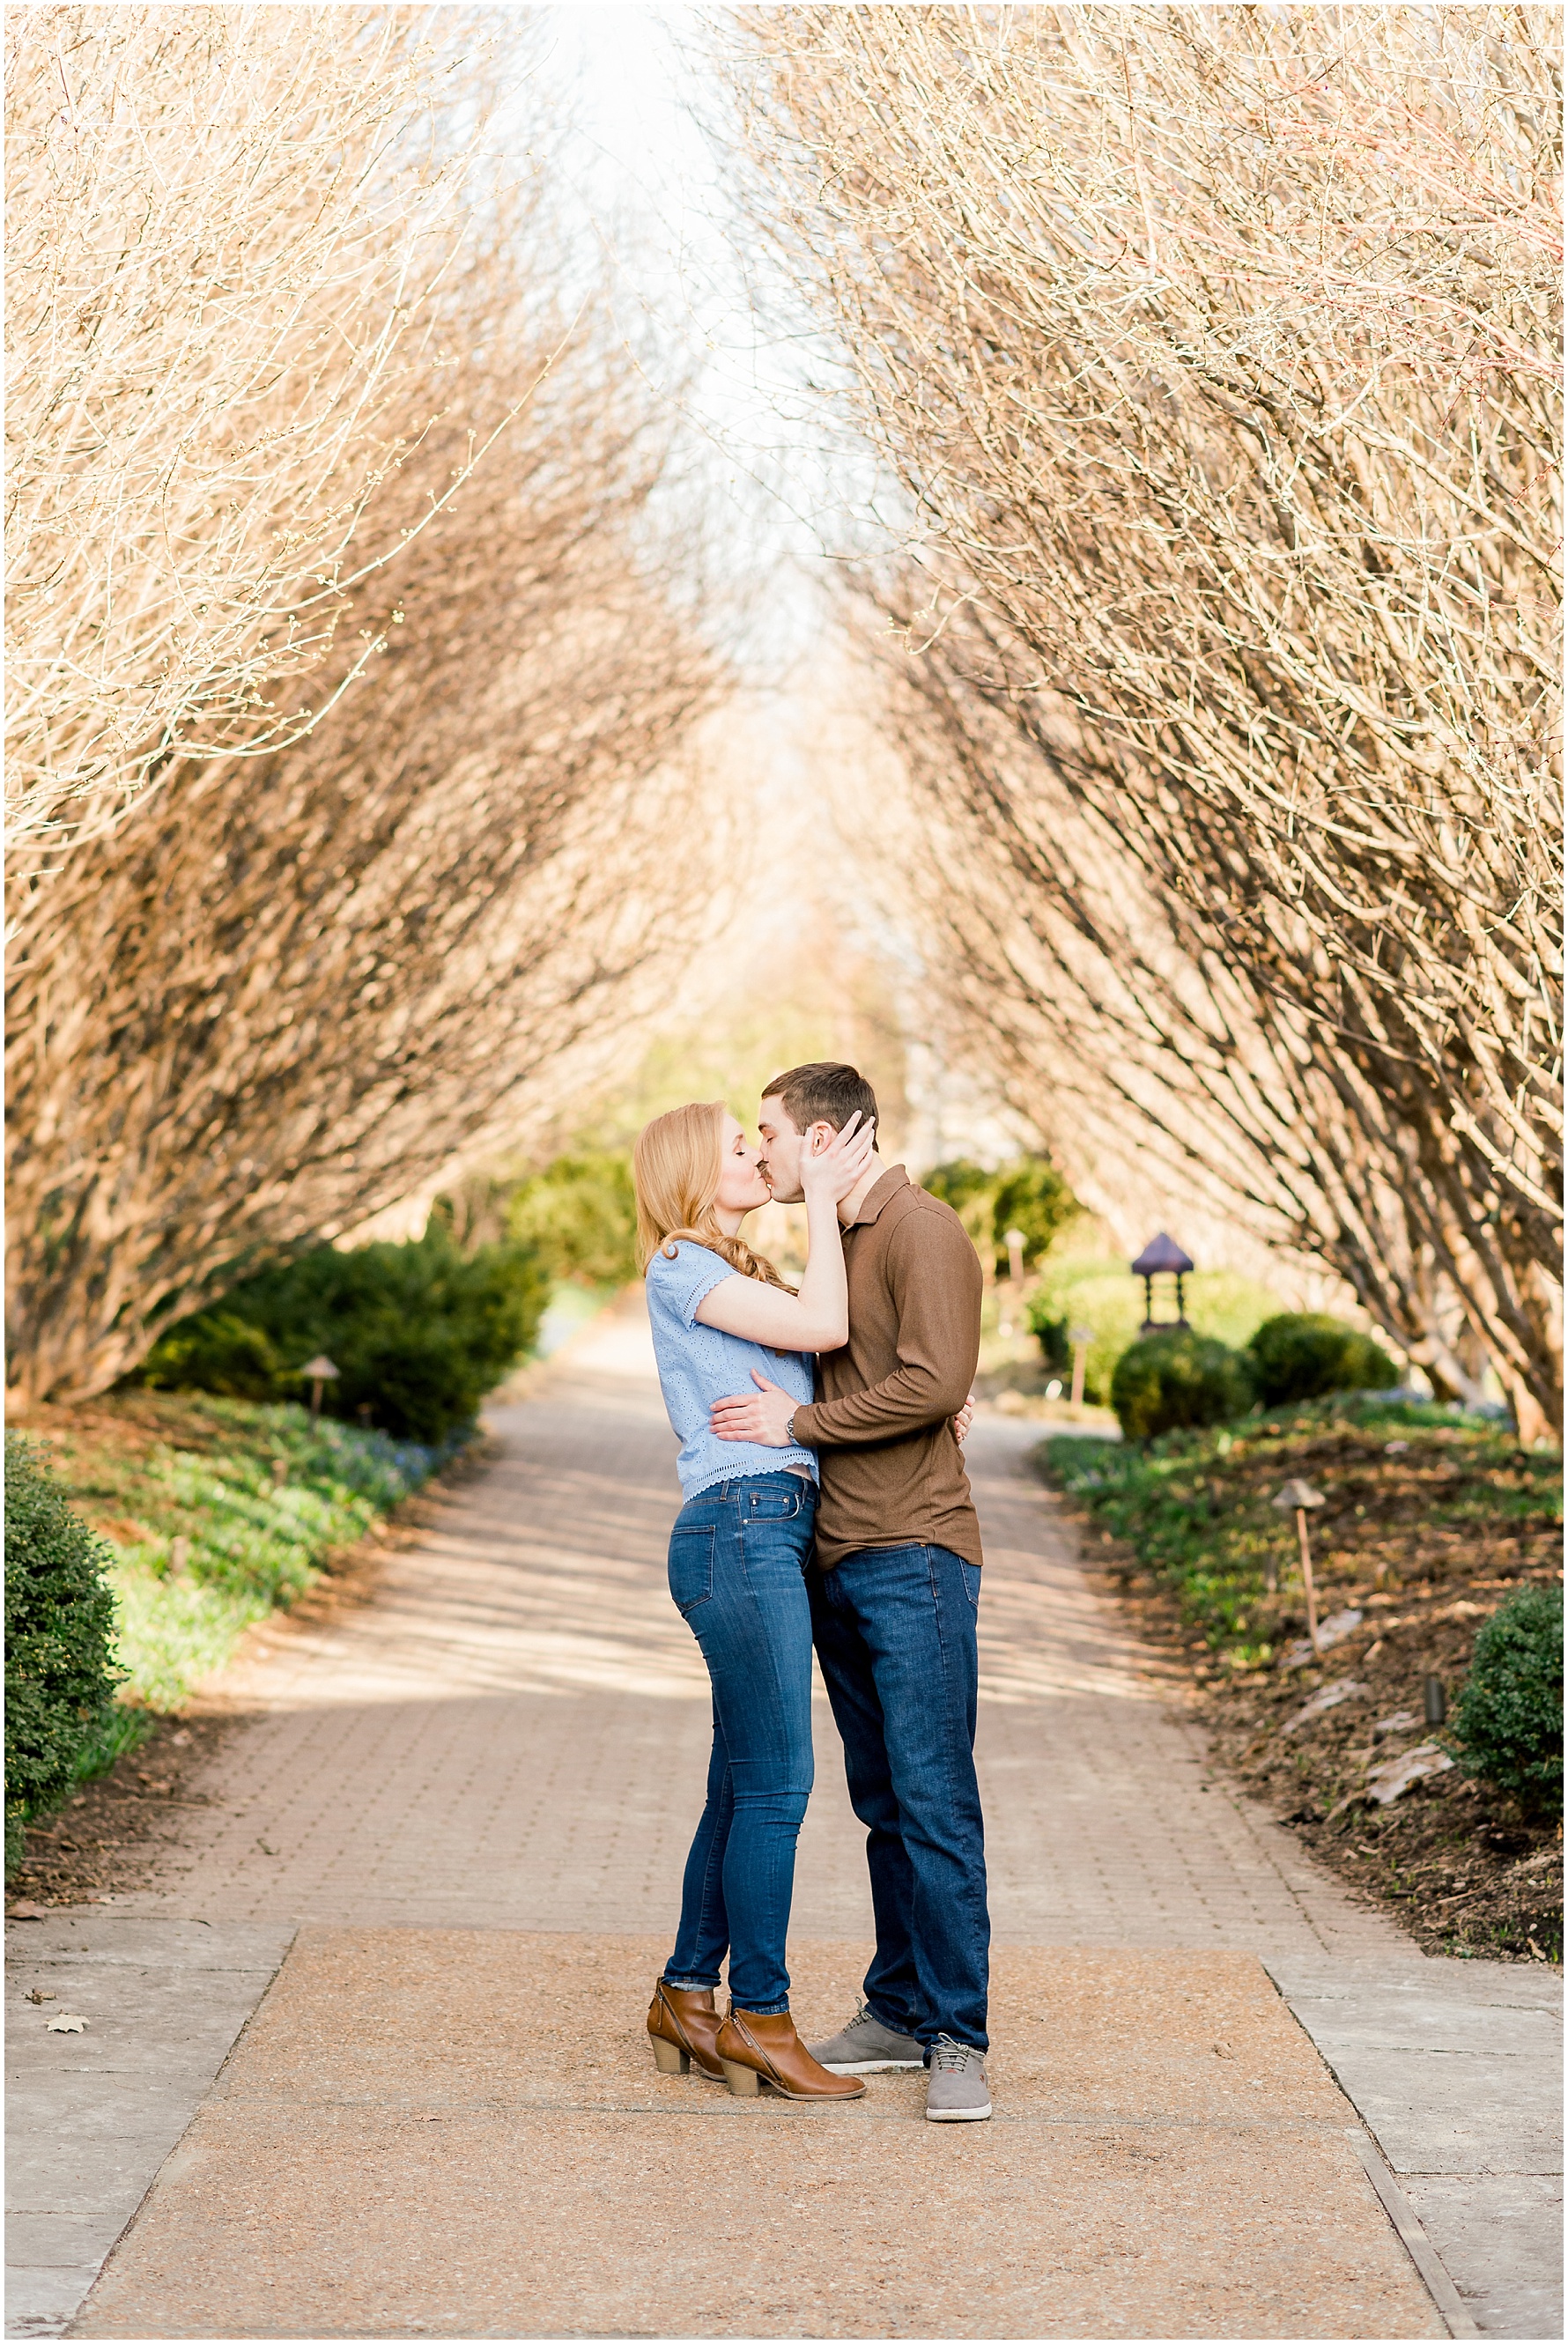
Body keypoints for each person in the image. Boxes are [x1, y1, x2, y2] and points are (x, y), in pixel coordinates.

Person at [708, 1061, 993, 2123]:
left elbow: (936, 1382)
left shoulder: (921, 1229)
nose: (761, 1148)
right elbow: (861, 1368)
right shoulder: (838, 1240)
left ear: (828, 1137)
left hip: (914, 1552)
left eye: (770, 1131)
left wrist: (801, 1427)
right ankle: (898, 2007)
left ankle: (958, 2039)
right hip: (838, 1553)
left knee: (932, 1800)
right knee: (882, 1801)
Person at [632, 1096, 876, 2104]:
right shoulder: (682, 1266)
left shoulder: (735, 1269)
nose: (757, 1155)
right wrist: (821, 1194)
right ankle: (762, 2018)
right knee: (779, 1785)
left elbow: (827, 1360)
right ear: (695, 1170)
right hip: (740, 1528)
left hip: (762, 1528)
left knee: (741, 1785)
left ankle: (687, 1997)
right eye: (739, 1146)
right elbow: (828, 1324)